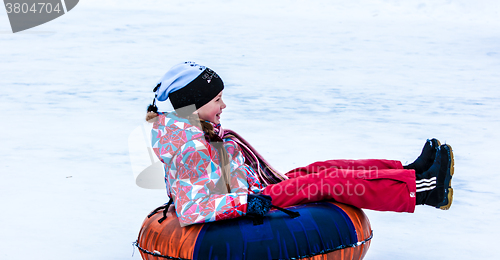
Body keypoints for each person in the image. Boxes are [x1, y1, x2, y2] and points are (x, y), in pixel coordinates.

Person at [146, 61, 454, 227]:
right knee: (328, 182)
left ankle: (410, 172)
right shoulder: (191, 148)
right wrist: (247, 203)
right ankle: (424, 191)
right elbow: (191, 208)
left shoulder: (196, 129)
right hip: (252, 199)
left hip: (254, 186)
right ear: (193, 105)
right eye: (216, 100)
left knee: (321, 169)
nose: (223, 106)